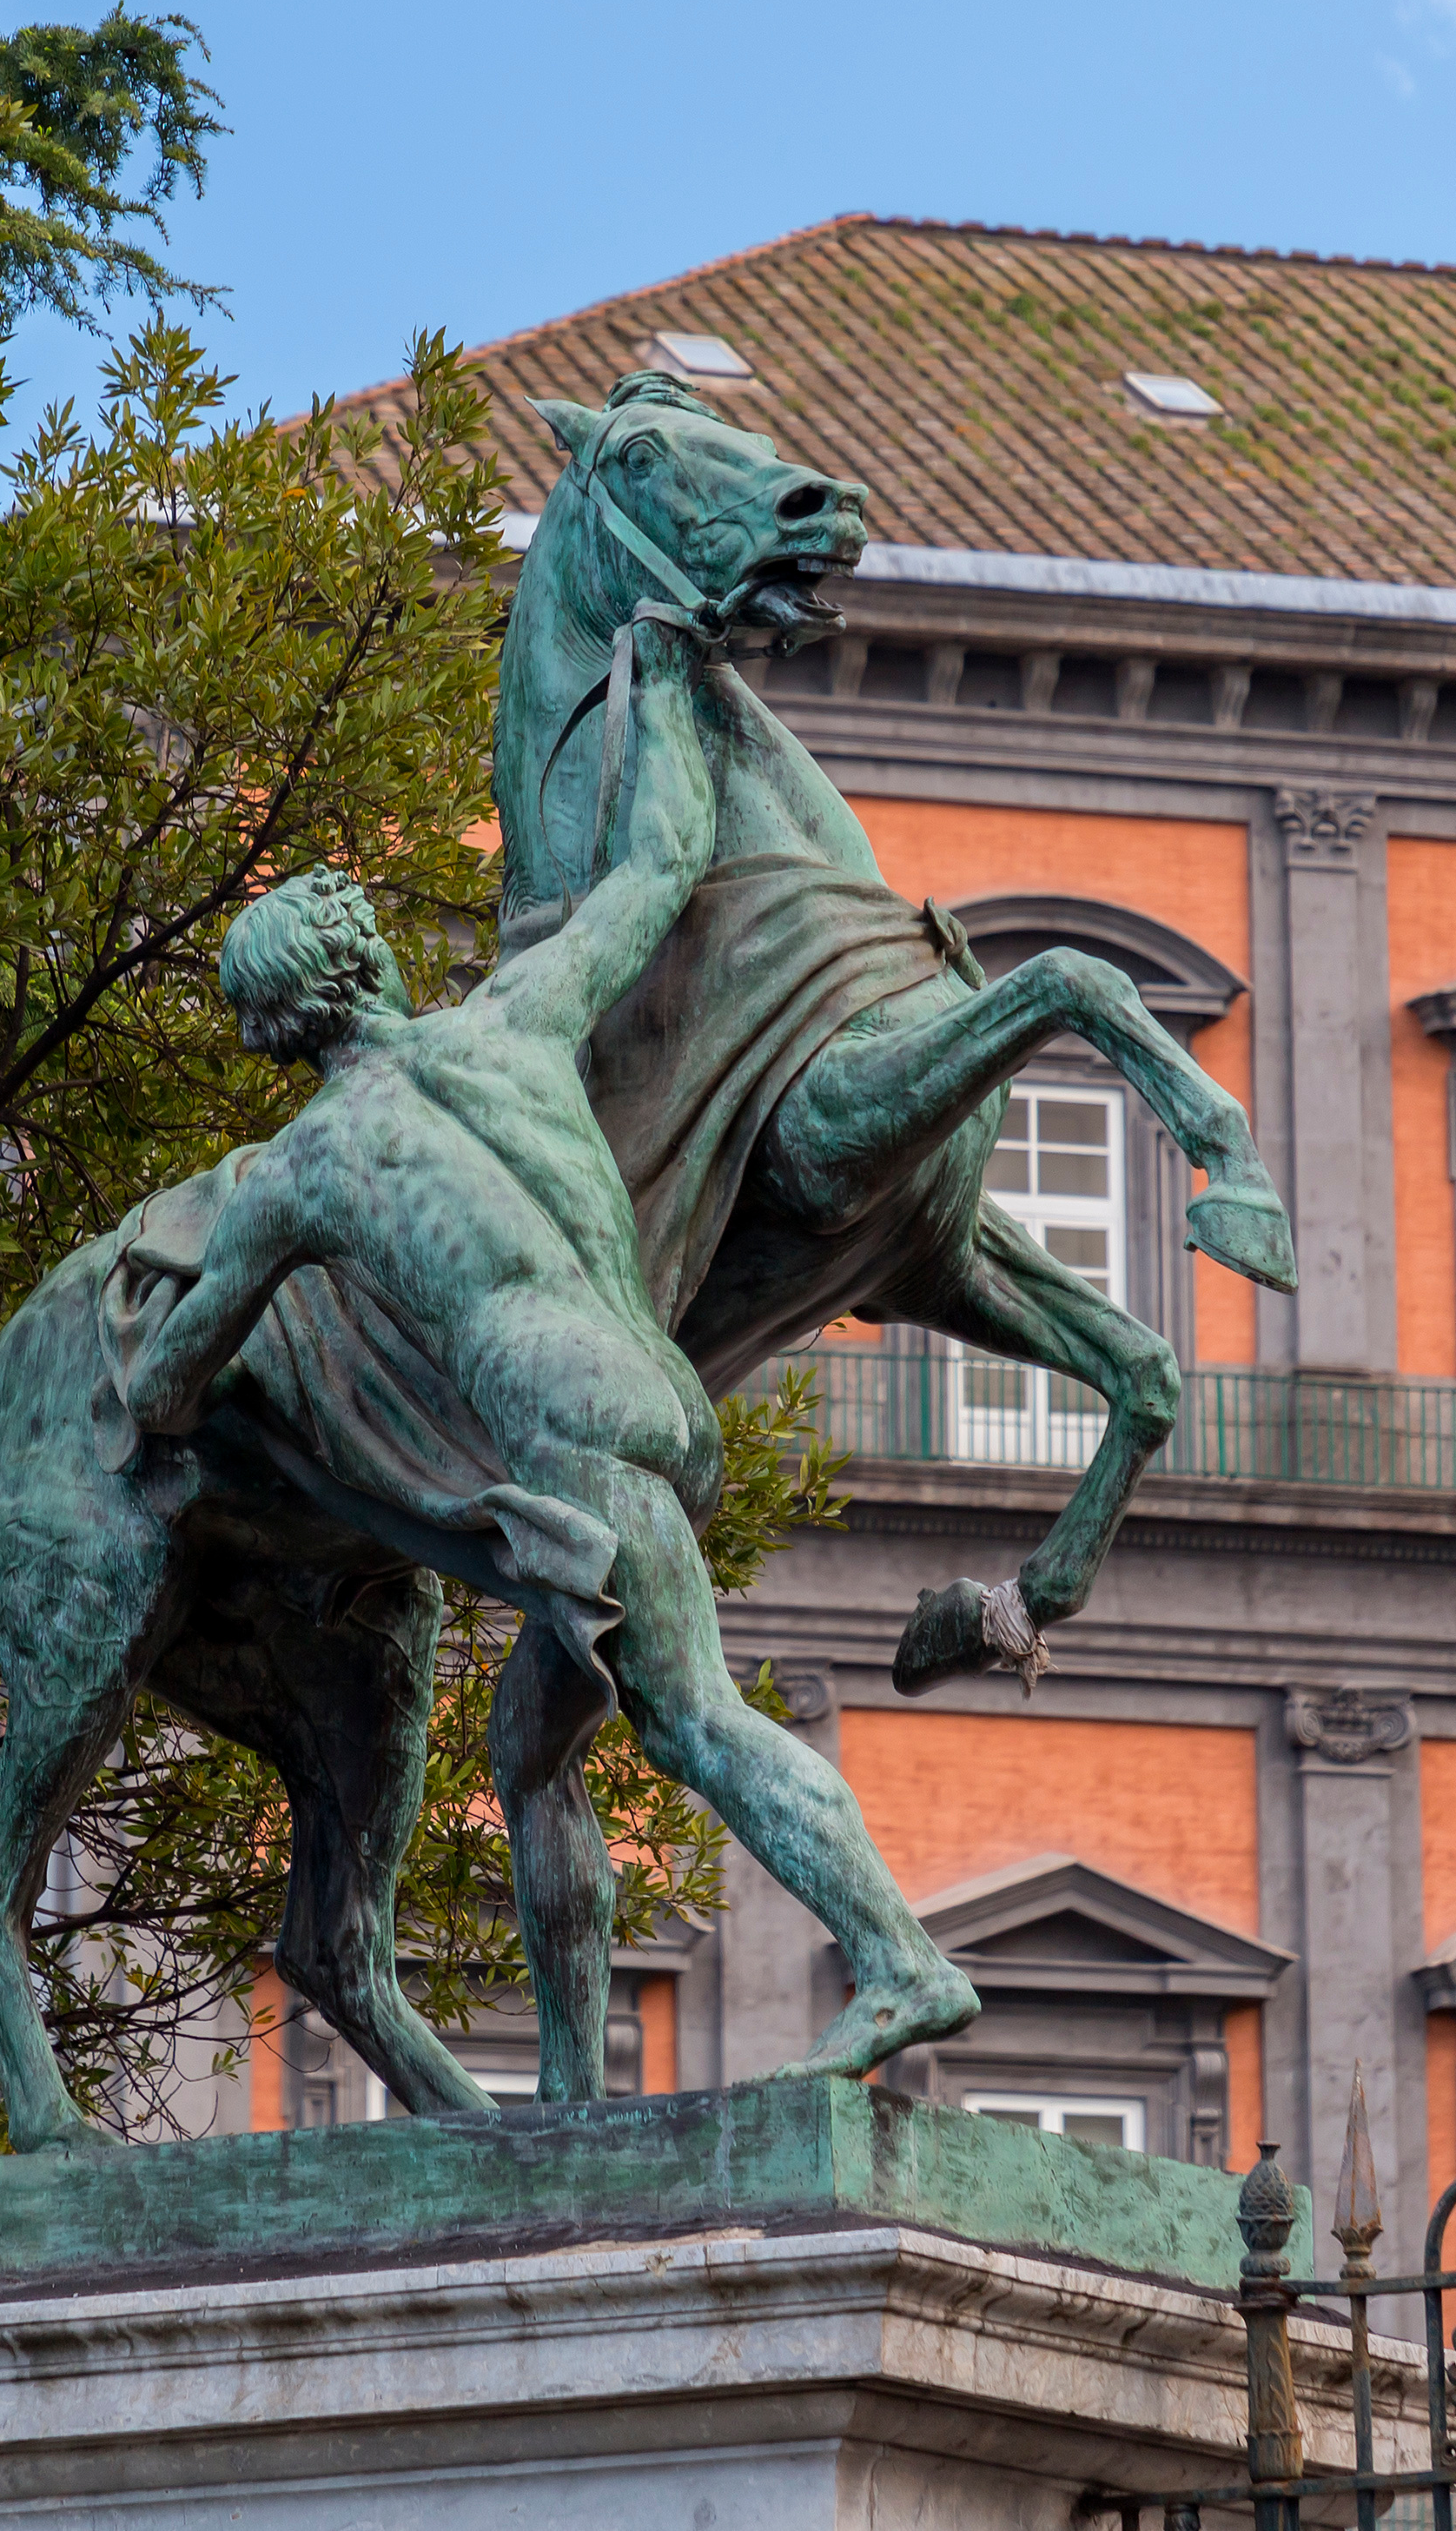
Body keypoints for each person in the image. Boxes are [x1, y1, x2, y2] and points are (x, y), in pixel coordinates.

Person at [111, 602, 975, 2090]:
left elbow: (169, 1387)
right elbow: (657, 863)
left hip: (571, 1441)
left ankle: (902, 1961)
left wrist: (160, 1313)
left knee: (692, 1716)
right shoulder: (518, 1019)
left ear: (271, 1031)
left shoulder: (300, 1173)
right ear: (370, 960)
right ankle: (574, 2093)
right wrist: (676, 683)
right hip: (658, 1396)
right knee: (529, 1755)